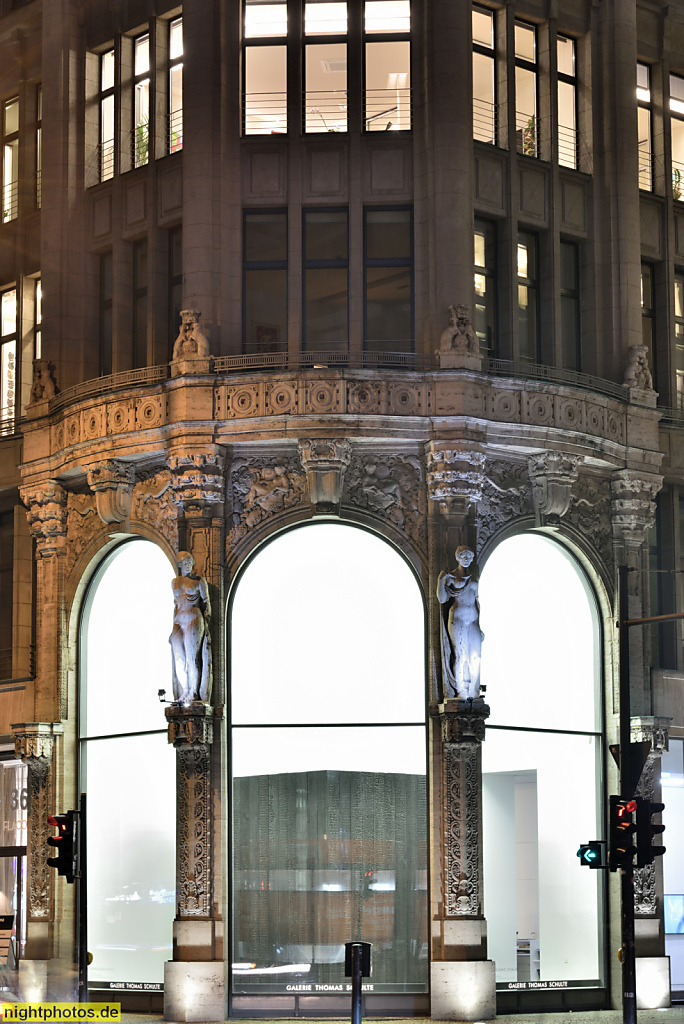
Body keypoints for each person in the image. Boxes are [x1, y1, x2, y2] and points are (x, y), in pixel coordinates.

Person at [436, 546, 484, 700]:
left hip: (473, 618)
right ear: (457, 558)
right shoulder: (450, 576)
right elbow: (442, 599)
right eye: (463, 556)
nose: (466, 559)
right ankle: (462, 691)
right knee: (461, 655)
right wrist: (440, 581)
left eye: (469, 556)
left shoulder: (474, 574)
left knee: (476, 656)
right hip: (458, 618)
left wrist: (480, 625)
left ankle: (473, 690)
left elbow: (477, 601)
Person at [169, 551, 212, 704]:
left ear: (192, 563)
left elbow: (207, 604)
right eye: (183, 562)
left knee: (191, 658)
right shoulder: (174, 582)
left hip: (194, 617)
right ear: (179, 564)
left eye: (189, 562)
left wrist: (207, 627)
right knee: (179, 658)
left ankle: (193, 692)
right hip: (178, 620)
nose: (187, 565)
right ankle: (185, 691)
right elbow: (175, 605)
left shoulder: (199, 581)